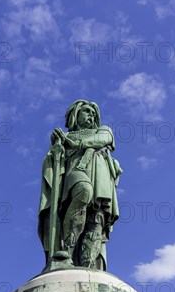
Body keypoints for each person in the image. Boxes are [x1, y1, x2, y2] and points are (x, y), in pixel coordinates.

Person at [38, 100, 122, 271]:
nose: (90, 115)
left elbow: (103, 139)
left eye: (93, 112)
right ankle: (66, 250)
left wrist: (74, 143)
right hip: (76, 169)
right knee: (84, 190)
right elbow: (53, 163)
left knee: (96, 218)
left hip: (100, 174)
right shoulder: (64, 138)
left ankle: (88, 265)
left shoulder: (103, 130)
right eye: (86, 111)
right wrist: (56, 148)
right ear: (75, 115)